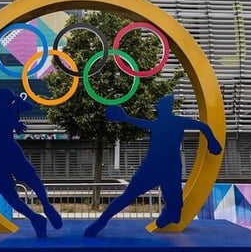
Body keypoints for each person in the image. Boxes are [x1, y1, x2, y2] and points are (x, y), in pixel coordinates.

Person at [84, 94, 222, 237]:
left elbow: (203, 126)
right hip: (157, 167)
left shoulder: (171, 123)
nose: (159, 108)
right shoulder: (164, 123)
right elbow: (202, 126)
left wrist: (212, 141)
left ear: (164, 109)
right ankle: (102, 221)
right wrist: (125, 118)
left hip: (168, 168)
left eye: (161, 106)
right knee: (129, 197)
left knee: (174, 207)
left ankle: (170, 215)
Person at [0, 46, 62, 237]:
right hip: (8, 151)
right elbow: (27, 105)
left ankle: (36, 216)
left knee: (10, 193)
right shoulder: (12, 109)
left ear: (0, 97)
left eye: (0, 93)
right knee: (29, 181)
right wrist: (15, 103)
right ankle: (44, 210)